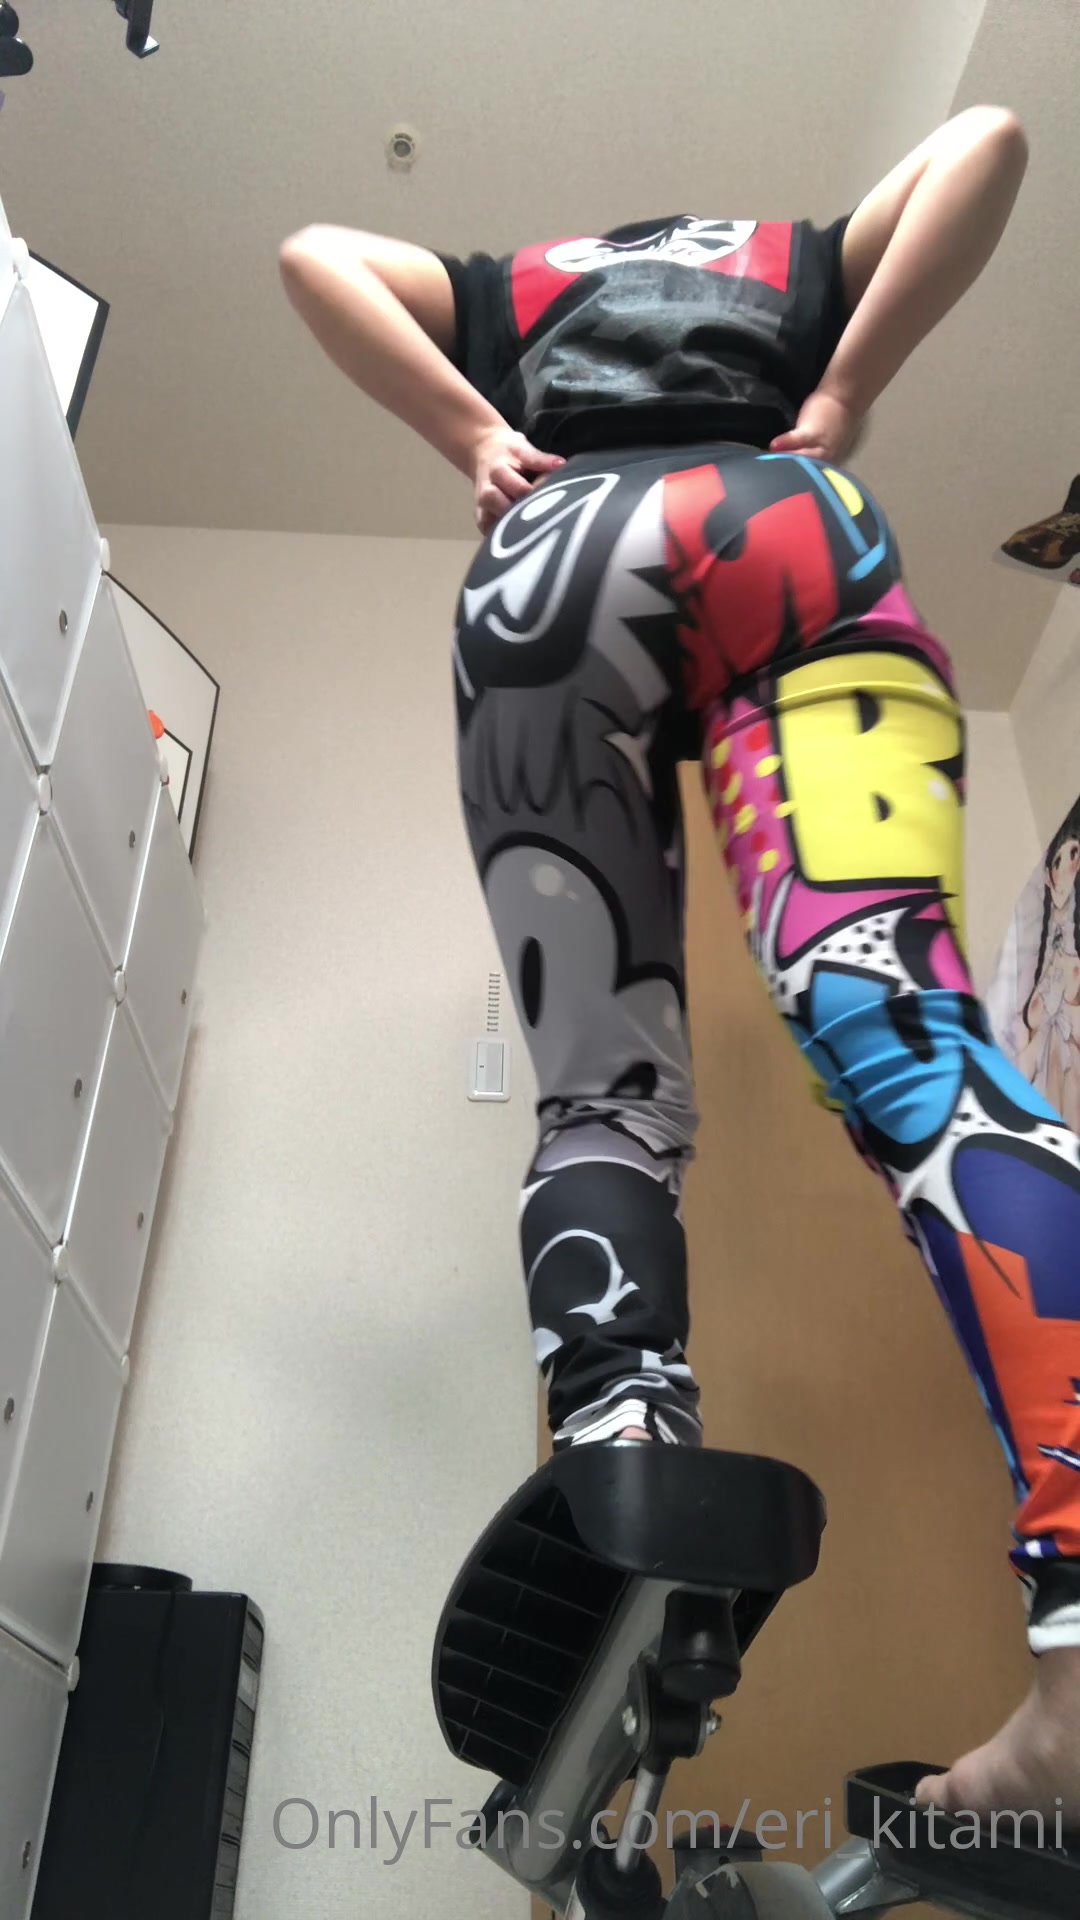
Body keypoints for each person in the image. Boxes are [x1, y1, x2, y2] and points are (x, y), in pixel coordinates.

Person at [279, 105, 1080, 1829]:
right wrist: (845, 393)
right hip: (791, 525)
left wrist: (473, 430)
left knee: (605, 1101)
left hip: (554, 562)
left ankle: (628, 1450)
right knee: (917, 1040)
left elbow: (312, 256)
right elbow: (991, 137)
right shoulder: (794, 260)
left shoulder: (507, 285)